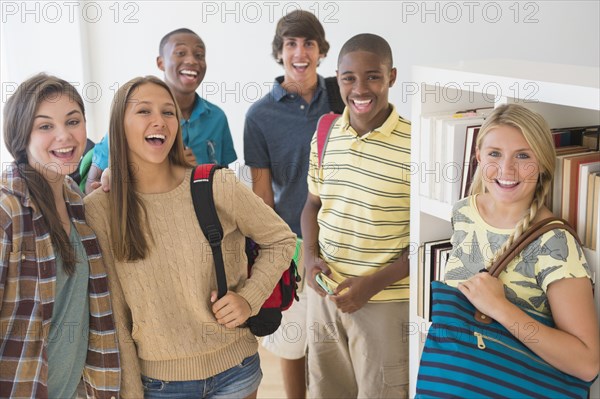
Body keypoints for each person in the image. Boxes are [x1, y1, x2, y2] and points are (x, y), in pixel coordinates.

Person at [84, 75, 296, 398]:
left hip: (235, 370)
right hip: (158, 385)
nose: (159, 120)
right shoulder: (100, 210)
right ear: (119, 124)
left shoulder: (215, 184)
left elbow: (281, 240)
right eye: (144, 111)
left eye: (168, 112)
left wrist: (249, 299)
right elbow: (114, 314)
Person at [443, 104, 599, 381]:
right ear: (478, 156)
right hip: (458, 380)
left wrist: (499, 308)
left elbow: (586, 364)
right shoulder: (463, 212)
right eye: (494, 154)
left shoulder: (554, 243)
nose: (507, 169)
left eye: (523, 155)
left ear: (541, 163)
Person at [300, 33, 411, 398]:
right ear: (337, 78)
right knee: (326, 388)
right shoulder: (326, 133)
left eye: (373, 76)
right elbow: (313, 204)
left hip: (384, 300)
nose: (360, 88)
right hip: (326, 293)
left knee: (381, 391)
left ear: (391, 77)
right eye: (349, 78)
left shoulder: (417, 143)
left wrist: (375, 283)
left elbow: (430, 241)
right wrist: (310, 257)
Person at [0, 73, 120, 398]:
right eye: (45, 126)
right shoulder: (7, 208)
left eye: (73, 121)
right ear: (20, 134)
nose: (64, 136)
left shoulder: (74, 197)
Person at [243, 10, 338, 398]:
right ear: (279, 52)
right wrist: (270, 255)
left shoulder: (342, 96)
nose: (300, 53)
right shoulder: (259, 116)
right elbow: (262, 196)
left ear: (321, 50)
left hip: (344, 238)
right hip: (292, 243)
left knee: (334, 341)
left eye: (309, 44)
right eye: (291, 44)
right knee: (292, 343)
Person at [85, 27, 237, 194]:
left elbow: (225, 180)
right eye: (180, 53)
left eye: (199, 55)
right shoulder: (132, 119)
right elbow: (92, 188)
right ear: (161, 62)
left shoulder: (217, 118)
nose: (192, 60)